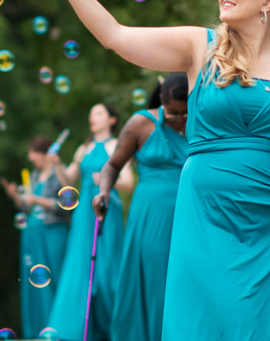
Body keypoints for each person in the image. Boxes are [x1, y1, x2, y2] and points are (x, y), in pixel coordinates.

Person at [28, 0, 270, 341]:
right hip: (208, 214)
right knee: (204, 323)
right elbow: (115, 36)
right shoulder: (200, 46)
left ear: (268, 1)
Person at [93, 73, 189, 341]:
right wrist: (103, 192)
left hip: (191, 214)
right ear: (161, 99)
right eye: (172, 113)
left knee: (187, 284)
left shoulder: (202, 123)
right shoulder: (141, 123)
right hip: (151, 217)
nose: (180, 119)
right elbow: (112, 165)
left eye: (185, 113)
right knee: (157, 281)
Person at [45, 103, 134, 340]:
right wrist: (57, 164)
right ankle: (76, 330)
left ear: (112, 119)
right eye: (91, 114)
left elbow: (128, 182)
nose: (92, 118)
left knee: (107, 268)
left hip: (106, 212)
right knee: (80, 267)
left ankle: (114, 328)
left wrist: (107, 179)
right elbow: (69, 181)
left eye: (98, 113)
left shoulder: (116, 145)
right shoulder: (83, 148)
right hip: (84, 213)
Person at [0, 136, 72, 339]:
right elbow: (27, 207)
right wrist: (15, 196)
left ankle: (60, 328)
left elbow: (67, 204)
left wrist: (37, 199)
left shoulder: (60, 175)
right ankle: (39, 330)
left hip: (53, 232)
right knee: (36, 281)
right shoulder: (33, 176)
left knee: (55, 277)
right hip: (32, 235)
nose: (31, 158)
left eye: (34, 153)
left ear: (45, 153)